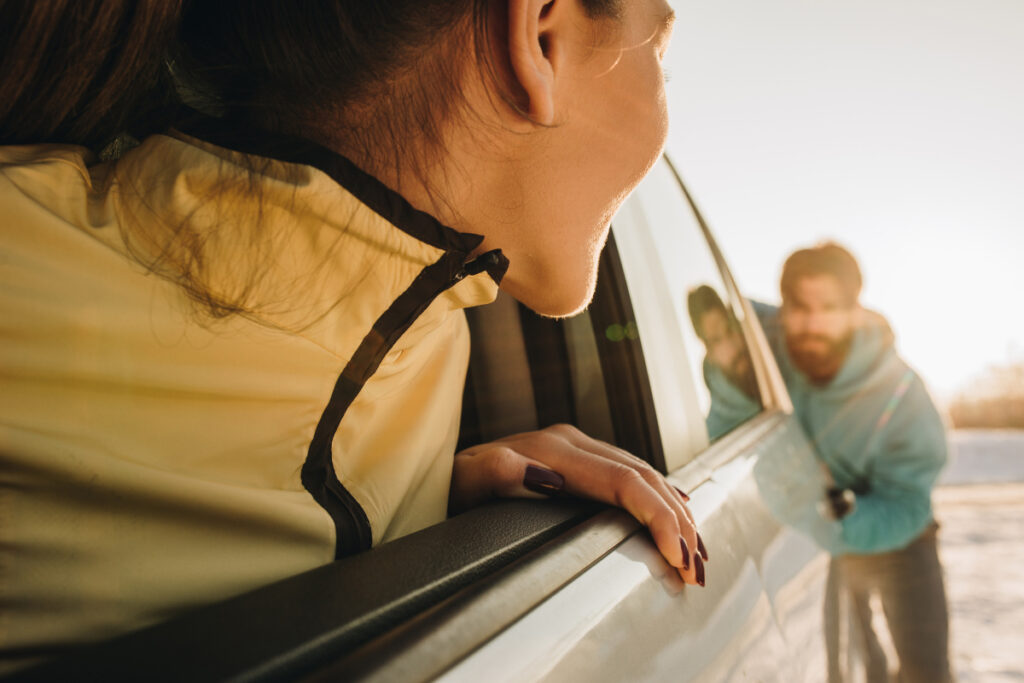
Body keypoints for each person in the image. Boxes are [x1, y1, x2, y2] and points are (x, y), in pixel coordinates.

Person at [0, 0, 707, 672]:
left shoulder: (436, 331)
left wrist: (429, 522)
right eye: (663, 57)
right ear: (542, 33)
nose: (665, 108)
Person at [753, 243, 952, 683]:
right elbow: (710, 309)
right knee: (854, 660)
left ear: (854, 310)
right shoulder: (763, 345)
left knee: (926, 669)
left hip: (899, 532)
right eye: (800, 307)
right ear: (783, 309)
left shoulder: (900, 391)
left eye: (830, 307)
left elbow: (910, 502)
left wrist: (840, 529)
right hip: (825, 517)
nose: (813, 323)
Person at [686, 284, 761, 440]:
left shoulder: (780, 373)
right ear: (709, 354)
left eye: (731, 328)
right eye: (717, 340)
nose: (732, 346)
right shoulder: (715, 436)